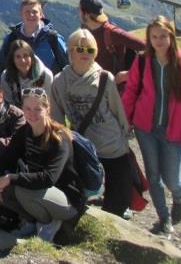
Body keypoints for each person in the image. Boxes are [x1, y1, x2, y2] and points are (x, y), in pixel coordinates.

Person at [121, 16, 181, 239]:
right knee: (153, 176)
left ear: (171, 36)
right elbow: (131, 92)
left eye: (163, 36)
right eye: (154, 36)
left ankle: (178, 197)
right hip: (146, 128)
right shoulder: (142, 61)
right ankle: (165, 220)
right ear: (148, 38)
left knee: (171, 179)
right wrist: (126, 121)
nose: (158, 41)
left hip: (173, 131)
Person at [50, 29, 132, 217]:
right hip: (82, 145)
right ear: (70, 51)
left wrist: (125, 137)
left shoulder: (105, 78)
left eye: (90, 49)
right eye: (79, 49)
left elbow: (117, 110)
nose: (85, 53)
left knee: (118, 195)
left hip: (111, 143)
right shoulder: (60, 82)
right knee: (82, 190)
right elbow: (56, 118)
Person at [0, 87, 83, 243]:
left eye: (38, 109)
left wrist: (10, 177)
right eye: (28, 108)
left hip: (67, 201)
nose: (32, 114)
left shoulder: (59, 137)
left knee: (24, 191)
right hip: (41, 193)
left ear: (47, 109)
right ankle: (30, 221)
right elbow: (6, 157)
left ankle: (48, 223)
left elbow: (48, 178)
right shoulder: (25, 131)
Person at [79, 0, 145, 86]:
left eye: (79, 10)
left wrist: (127, 75)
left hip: (114, 92)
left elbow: (145, 46)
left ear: (85, 13)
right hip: (92, 89)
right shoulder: (83, 32)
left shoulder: (112, 33)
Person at [0, 0, 68, 75]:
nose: (31, 15)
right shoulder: (11, 39)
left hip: (50, 85)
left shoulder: (53, 38)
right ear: (21, 14)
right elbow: (2, 66)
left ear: (41, 15)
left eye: (35, 12)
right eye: (27, 12)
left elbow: (66, 64)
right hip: (19, 86)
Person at [0, 40, 54, 108]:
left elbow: (47, 104)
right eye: (18, 57)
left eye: (26, 56)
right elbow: (8, 105)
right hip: (17, 115)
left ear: (31, 57)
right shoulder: (6, 77)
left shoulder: (46, 76)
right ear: (12, 60)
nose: (22, 60)